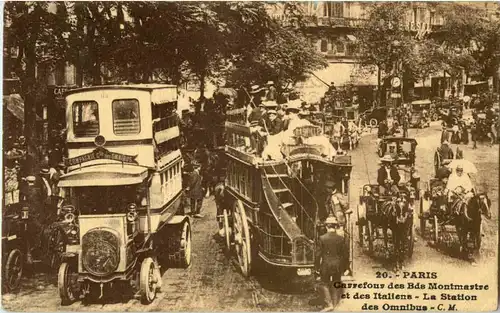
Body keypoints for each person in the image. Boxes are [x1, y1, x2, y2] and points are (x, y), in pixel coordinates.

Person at [314, 216, 349, 312]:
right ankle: (335, 303)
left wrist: (316, 267)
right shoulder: (341, 238)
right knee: (336, 282)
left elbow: (318, 254)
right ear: (336, 227)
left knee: (323, 283)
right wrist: (346, 268)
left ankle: (329, 304)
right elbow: (345, 254)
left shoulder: (322, 238)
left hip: (326, 265)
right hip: (338, 265)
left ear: (326, 227)